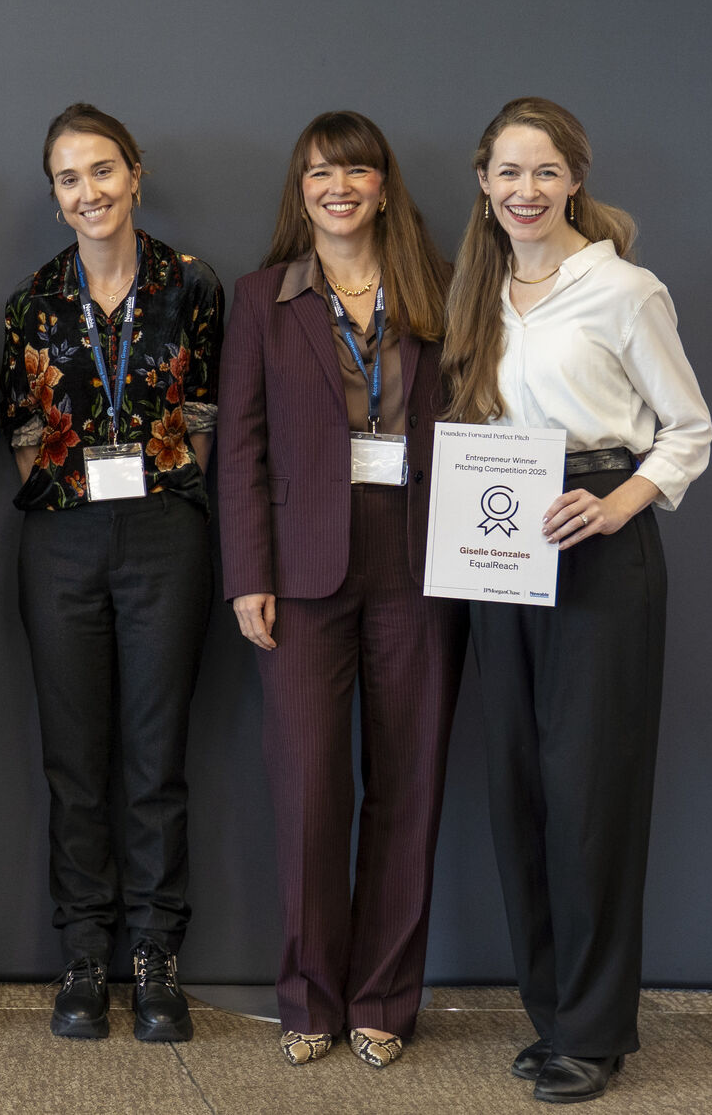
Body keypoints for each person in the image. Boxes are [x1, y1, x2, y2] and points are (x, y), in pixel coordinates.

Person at [440, 97, 711, 1104]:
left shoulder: (624, 291)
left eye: (544, 172)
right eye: (507, 172)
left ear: (574, 180)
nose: (524, 191)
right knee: (516, 787)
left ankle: (594, 1033)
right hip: (498, 547)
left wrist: (617, 503)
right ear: (481, 181)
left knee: (588, 796)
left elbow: (686, 430)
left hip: (598, 550)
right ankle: (551, 1013)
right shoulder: (479, 291)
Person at [217, 111, 466, 1069]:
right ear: (301, 186)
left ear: (382, 183)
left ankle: (386, 999)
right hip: (303, 567)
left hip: (421, 558)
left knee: (410, 781)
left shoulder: (438, 290)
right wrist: (249, 574)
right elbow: (238, 446)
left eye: (356, 169)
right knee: (311, 785)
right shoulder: (263, 297)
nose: (338, 185)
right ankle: (309, 996)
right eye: (321, 171)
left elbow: (481, 409)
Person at [0, 103, 223, 1042]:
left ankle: (155, 956)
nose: (88, 191)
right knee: (74, 757)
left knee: (154, 755)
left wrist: (152, 491)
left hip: (167, 533)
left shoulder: (194, 286)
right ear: (55, 199)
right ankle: (85, 953)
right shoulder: (30, 302)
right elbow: (21, 441)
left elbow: (207, 418)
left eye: (102, 171)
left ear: (135, 173)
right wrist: (83, 496)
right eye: (68, 178)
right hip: (63, 539)